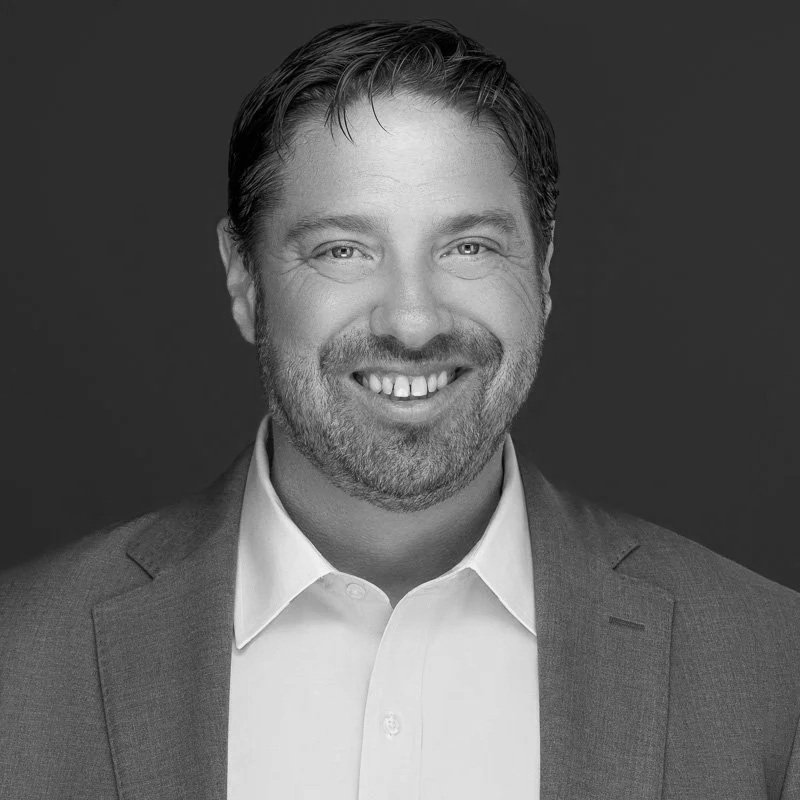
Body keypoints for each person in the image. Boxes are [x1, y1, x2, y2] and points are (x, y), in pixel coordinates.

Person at [1, 18, 798, 799]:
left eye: (468, 247)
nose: (413, 320)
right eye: (343, 250)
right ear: (244, 281)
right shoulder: (20, 661)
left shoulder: (772, 667)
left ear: (545, 274)